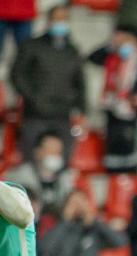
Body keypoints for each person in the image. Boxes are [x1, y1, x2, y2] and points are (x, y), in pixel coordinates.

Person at [10, 3, 87, 158]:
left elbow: (80, 82)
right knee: (30, 157)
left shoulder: (72, 50)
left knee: (63, 158)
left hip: (63, 114)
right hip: (35, 113)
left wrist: (82, 110)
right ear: (48, 20)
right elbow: (17, 75)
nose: (60, 23)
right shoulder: (32, 46)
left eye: (64, 19)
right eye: (56, 19)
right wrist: (34, 97)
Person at [89, 29, 137, 173]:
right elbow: (92, 58)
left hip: (133, 113)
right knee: (112, 152)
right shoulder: (112, 57)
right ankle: (113, 181)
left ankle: (131, 179)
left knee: (132, 151)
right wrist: (109, 45)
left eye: (127, 42)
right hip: (112, 110)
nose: (124, 46)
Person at [5, 131, 77, 219]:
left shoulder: (68, 178)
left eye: (58, 151)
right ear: (37, 152)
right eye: (50, 150)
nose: (54, 155)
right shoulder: (19, 176)